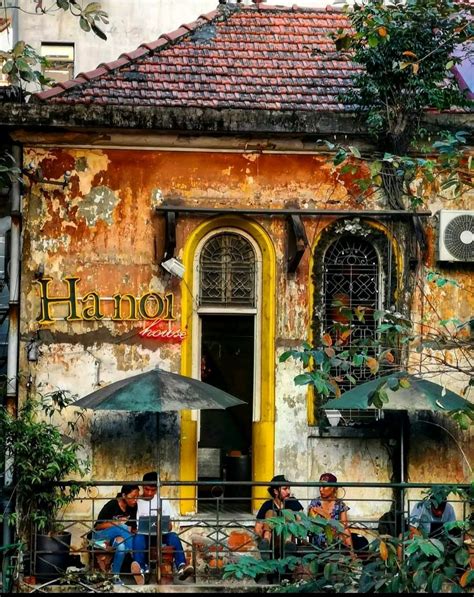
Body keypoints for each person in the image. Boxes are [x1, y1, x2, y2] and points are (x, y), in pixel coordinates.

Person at [134, 472, 194, 582]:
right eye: (147, 489)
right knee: (138, 538)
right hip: (144, 537)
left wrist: (163, 525)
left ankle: (182, 566)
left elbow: (170, 526)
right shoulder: (137, 502)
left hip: (161, 535)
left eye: (153, 490)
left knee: (173, 536)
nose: (150, 493)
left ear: (157, 489)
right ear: (142, 487)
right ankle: (141, 571)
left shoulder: (163, 501)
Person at [92, 484, 144, 585]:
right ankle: (132, 560)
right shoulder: (112, 505)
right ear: (124, 495)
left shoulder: (133, 507)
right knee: (122, 527)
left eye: (137, 497)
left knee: (121, 546)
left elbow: (131, 528)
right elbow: (98, 526)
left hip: (119, 537)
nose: (135, 500)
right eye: (133, 497)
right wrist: (116, 523)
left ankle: (115, 576)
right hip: (99, 537)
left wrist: (134, 530)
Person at [255, 474, 303, 560]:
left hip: (288, 540)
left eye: (289, 488)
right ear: (276, 491)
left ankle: (287, 545)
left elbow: (301, 521)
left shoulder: (293, 502)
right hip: (272, 542)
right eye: (285, 489)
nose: (288, 492)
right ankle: (266, 543)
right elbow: (257, 528)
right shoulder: (267, 505)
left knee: (288, 513)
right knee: (270, 513)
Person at [308, 472, 353, 553]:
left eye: (324, 487)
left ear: (333, 488)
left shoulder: (340, 505)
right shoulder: (315, 503)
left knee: (345, 530)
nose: (321, 490)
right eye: (320, 486)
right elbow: (312, 527)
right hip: (319, 541)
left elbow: (344, 528)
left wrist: (326, 516)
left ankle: (352, 555)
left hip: (335, 540)